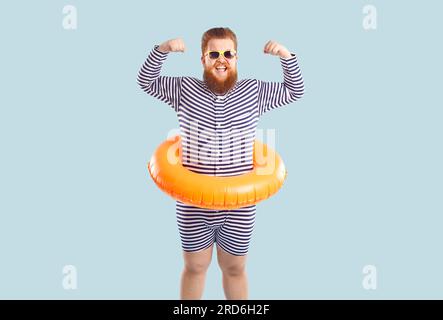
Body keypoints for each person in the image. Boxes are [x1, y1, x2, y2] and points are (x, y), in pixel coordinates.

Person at [137, 27, 304, 300]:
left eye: (228, 53)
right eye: (214, 53)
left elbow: (295, 90)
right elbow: (146, 81)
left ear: (236, 58)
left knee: (235, 268)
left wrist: (286, 56)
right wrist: (163, 49)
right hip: (193, 204)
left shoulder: (254, 91)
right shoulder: (183, 89)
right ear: (203, 59)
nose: (221, 59)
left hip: (238, 206)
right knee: (195, 267)